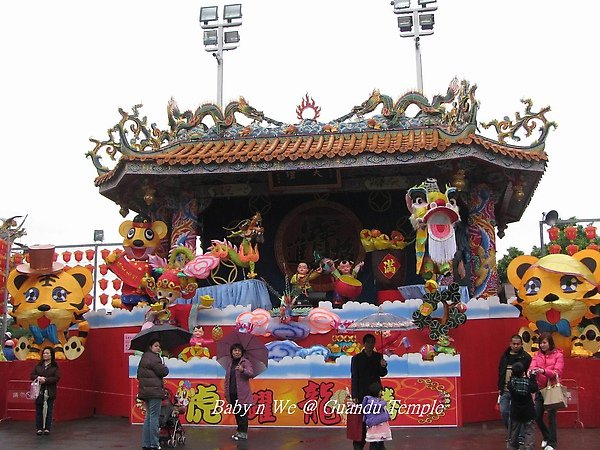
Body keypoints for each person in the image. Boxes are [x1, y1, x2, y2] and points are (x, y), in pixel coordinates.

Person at [350, 333, 388, 450]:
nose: (370, 344)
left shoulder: (378, 357)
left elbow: (383, 374)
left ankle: (377, 444)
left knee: (376, 420)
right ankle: (358, 444)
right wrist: (355, 395)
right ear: (364, 344)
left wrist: (383, 366)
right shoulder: (356, 359)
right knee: (361, 421)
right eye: (368, 342)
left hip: (375, 393)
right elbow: (354, 377)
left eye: (372, 342)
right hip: (361, 393)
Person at [529, 332, 564, 450]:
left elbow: (557, 372)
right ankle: (546, 436)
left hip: (552, 389)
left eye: (544, 342)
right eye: (541, 343)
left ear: (550, 343)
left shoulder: (558, 355)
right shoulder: (537, 355)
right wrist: (530, 372)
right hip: (540, 389)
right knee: (537, 416)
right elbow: (532, 366)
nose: (542, 345)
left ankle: (552, 444)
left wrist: (543, 371)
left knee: (551, 417)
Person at [137, 338, 169, 450]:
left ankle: (146, 443)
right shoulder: (154, 358)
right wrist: (165, 366)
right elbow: (163, 372)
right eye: (156, 346)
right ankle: (154, 444)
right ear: (150, 347)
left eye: (159, 346)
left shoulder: (144, 358)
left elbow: (138, 375)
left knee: (148, 417)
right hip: (155, 392)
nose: (158, 348)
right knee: (154, 417)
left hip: (145, 392)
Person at [497, 334, 532, 436]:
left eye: (518, 344)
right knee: (504, 412)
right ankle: (513, 432)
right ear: (510, 344)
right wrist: (499, 387)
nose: (516, 346)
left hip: (520, 391)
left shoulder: (526, 357)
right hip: (505, 389)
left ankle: (519, 436)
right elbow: (500, 372)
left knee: (519, 415)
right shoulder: (504, 356)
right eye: (514, 344)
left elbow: (529, 373)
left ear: (521, 344)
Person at [224, 343, 255, 441]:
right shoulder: (230, 363)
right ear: (231, 352)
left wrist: (242, 370)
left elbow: (251, 373)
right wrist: (226, 392)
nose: (237, 352)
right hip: (232, 392)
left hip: (242, 394)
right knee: (237, 413)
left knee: (242, 414)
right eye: (235, 350)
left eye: (239, 350)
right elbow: (227, 378)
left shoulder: (245, 362)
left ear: (242, 352)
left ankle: (243, 433)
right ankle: (239, 431)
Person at [506, 361, 538, 450]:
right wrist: (532, 377)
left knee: (514, 431)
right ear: (523, 372)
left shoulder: (511, 384)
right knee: (529, 431)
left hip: (516, 412)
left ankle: (513, 447)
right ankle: (529, 447)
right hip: (528, 411)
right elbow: (534, 388)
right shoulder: (528, 383)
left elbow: (510, 384)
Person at [30, 346, 60, 435]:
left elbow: (56, 378)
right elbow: (32, 375)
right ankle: (39, 428)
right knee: (39, 409)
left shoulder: (55, 367)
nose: (45, 355)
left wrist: (46, 380)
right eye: (44, 353)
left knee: (49, 410)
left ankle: (47, 428)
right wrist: (38, 378)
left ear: (51, 355)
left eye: (47, 353)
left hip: (50, 391)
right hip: (39, 391)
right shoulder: (38, 365)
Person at [361, 382, 392, 450]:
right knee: (374, 444)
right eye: (380, 391)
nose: (381, 393)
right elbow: (378, 406)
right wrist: (384, 402)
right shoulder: (370, 401)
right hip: (375, 426)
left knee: (380, 443)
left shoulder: (377, 400)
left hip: (380, 425)